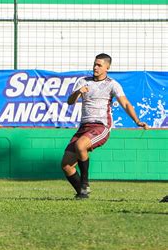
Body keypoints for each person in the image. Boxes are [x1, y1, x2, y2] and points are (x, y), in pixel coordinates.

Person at [61, 54, 148, 200]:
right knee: (66, 165)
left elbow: (125, 103)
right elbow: (70, 101)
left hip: (101, 126)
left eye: (99, 65)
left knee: (80, 145)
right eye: (94, 64)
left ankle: (85, 183)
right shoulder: (83, 82)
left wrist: (137, 121)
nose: (95, 67)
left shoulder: (112, 84)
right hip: (84, 127)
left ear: (107, 67)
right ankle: (82, 193)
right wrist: (78, 92)